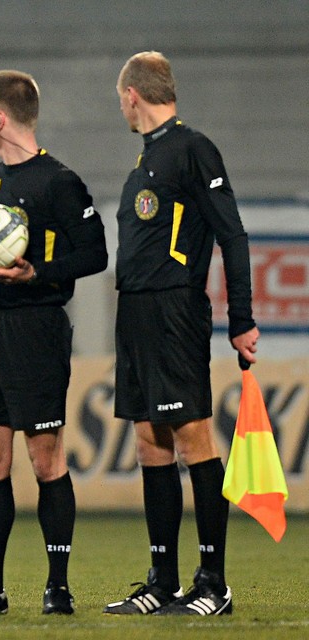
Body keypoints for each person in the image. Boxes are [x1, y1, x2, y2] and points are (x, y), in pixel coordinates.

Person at [0, 70, 108, 616]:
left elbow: (95, 255)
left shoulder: (59, 182)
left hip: (36, 328)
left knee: (45, 460)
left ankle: (57, 586)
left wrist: (37, 272)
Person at [104, 51, 259, 617]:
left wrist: (240, 318)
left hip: (175, 310)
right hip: (137, 315)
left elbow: (233, 236)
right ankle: (163, 581)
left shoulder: (192, 149)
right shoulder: (144, 161)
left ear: (131, 95)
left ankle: (213, 582)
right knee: (149, 442)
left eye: (119, 97)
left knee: (193, 437)